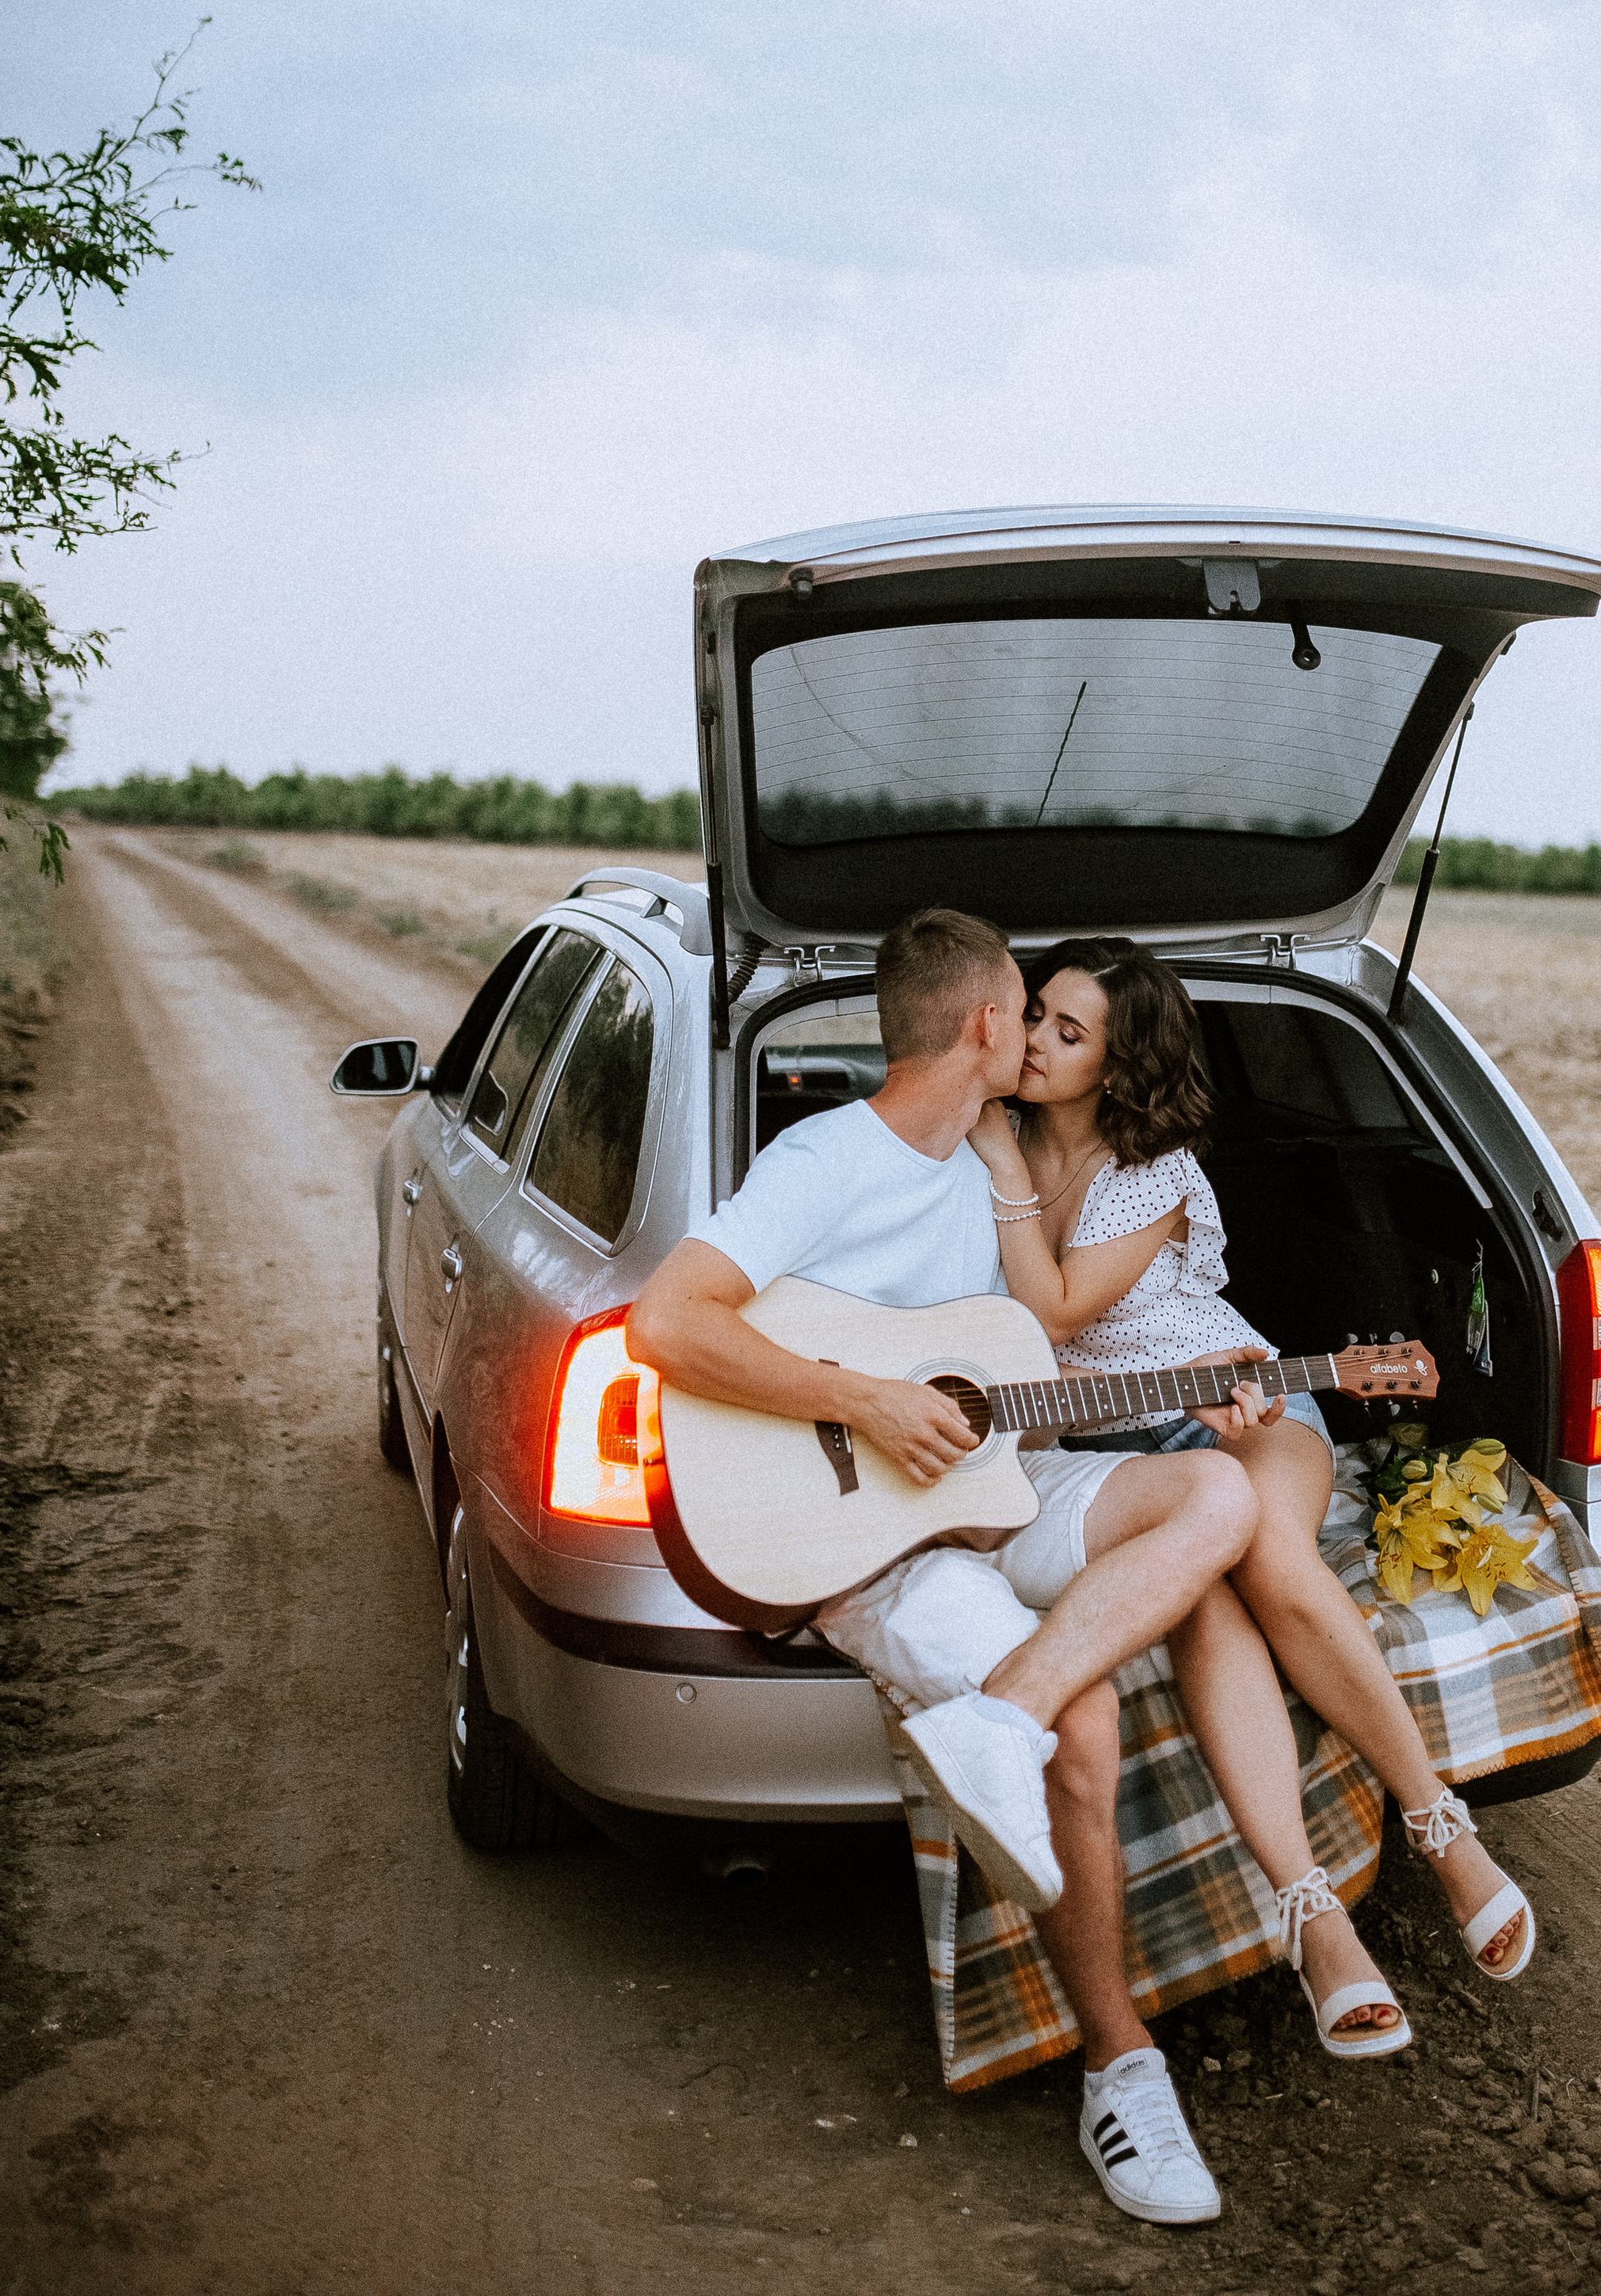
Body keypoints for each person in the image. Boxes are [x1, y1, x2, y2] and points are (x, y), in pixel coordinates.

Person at [625, 906, 1257, 2226]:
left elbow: (1037, 1346)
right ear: (983, 1024)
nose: (1035, 1033)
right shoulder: (825, 1159)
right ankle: (1122, 2065)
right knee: (1087, 1722)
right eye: (1025, 1008)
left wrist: (1216, 1380)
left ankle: (994, 1720)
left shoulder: (995, 1165)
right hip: (874, 1539)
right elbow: (665, 1320)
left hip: (996, 1485)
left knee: (1212, 1490)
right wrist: (858, 1398)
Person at [967, 936, 1536, 2062]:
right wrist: (991, 1143)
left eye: (1066, 1031)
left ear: (1119, 1066)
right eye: (1036, 1013)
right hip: (1117, 1448)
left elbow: (1063, 1308)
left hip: (1249, 1406)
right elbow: (1013, 1347)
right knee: (1208, 1597)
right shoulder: (986, 1141)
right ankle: (1312, 1915)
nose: (1033, 1037)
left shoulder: (1152, 1170)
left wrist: (1001, 1163)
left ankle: (1442, 1828)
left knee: (1271, 1556)